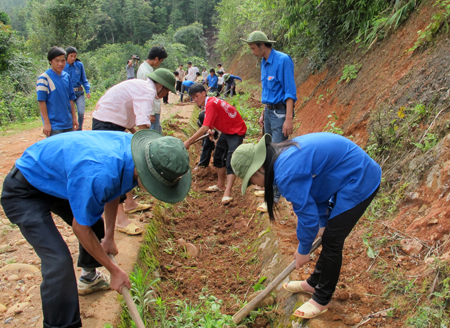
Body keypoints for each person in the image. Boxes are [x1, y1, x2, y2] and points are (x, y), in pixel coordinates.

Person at [1, 129, 191, 328]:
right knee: (58, 261)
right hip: (25, 189)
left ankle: (89, 278)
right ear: (145, 171)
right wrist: (114, 270)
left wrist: (109, 238)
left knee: (96, 226)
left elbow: (113, 191)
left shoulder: (140, 154)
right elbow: (80, 228)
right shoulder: (101, 172)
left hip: (60, 177)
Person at [231, 132, 381, 319]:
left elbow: (307, 217)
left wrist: (303, 250)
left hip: (360, 178)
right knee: (328, 235)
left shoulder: (286, 172)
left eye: (252, 181)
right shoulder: (282, 159)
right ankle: (313, 282)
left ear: (258, 170)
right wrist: (323, 222)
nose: (258, 186)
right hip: (344, 177)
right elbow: (316, 191)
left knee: (333, 241)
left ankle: (321, 299)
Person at [92, 68, 176, 235]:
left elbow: (132, 117)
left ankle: (130, 203)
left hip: (112, 121)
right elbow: (144, 125)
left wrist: (133, 133)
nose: (166, 93)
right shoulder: (147, 92)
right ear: (160, 85)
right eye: (166, 89)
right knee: (118, 169)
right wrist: (151, 152)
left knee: (128, 162)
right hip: (107, 124)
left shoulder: (141, 86)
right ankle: (120, 220)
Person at [184, 84, 247, 204]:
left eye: (197, 96)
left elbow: (204, 127)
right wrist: (210, 129)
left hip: (236, 131)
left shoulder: (211, 103)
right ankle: (220, 185)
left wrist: (188, 142)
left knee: (231, 161)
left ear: (204, 93)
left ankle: (227, 193)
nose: (195, 99)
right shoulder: (209, 104)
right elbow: (211, 121)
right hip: (226, 131)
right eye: (193, 97)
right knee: (218, 157)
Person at [242, 30, 297, 143]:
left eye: (253, 48)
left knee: (278, 151)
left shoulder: (283, 60)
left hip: (280, 114)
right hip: (268, 112)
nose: (252, 52)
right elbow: (268, 90)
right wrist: (264, 112)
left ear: (262, 45)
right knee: (268, 149)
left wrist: (288, 119)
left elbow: (290, 92)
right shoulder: (263, 62)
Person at [36, 47, 78, 137]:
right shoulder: (44, 78)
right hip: (54, 126)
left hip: (68, 123)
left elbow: (71, 98)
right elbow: (41, 101)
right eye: (57, 60)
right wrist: (47, 123)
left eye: (63, 60)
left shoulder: (66, 76)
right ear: (50, 61)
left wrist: (74, 118)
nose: (60, 64)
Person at [137, 46, 168, 133]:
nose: (159, 63)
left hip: (152, 109)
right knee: (153, 134)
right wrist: (151, 114)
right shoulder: (146, 73)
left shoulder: (144, 68)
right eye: (160, 61)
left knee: (157, 131)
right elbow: (145, 94)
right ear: (156, 58)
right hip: (151, 110)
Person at [64, 46, 91, 130]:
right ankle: (71, 128)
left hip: (79, 92)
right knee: (69, 113)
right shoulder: (63, 66)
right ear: (67, 56)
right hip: (68, 94)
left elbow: (84, 79)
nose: (73, 58)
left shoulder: (79, 65)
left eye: (75, 56)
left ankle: (80, 129)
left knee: (81, 112)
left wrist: (87, 90)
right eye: (71, 56)